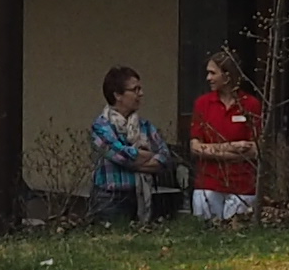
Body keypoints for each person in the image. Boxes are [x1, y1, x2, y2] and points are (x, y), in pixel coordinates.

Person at [89, 65, 174, 221]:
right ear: (118, 95)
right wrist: (149, 156)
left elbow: (165, 157)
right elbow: (121, 156)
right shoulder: (101, 126)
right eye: (135, 90)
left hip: (140, 196)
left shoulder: (145, 126)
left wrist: (133, 161)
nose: (141, 94)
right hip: (109, 199)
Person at [187, 50, 262, 221]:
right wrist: (232, 148)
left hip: (242, 184)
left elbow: (256, 150)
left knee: (238, 238)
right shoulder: (202, 104)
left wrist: (214, 151)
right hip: (208, 183)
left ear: (228, 75)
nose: (208, 78)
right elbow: (195, 148)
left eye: (213, 73)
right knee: (205, 236)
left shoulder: (251, 104)